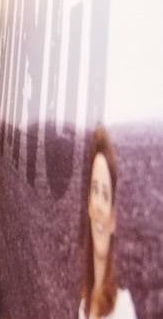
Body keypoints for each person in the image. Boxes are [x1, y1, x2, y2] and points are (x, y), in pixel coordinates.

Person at [79, 127, 137, 319]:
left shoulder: (122, 308)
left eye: (105, 195)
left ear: (113, 220)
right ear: (88, 204)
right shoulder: (84, 305)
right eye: (94, 190)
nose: (98, 205)